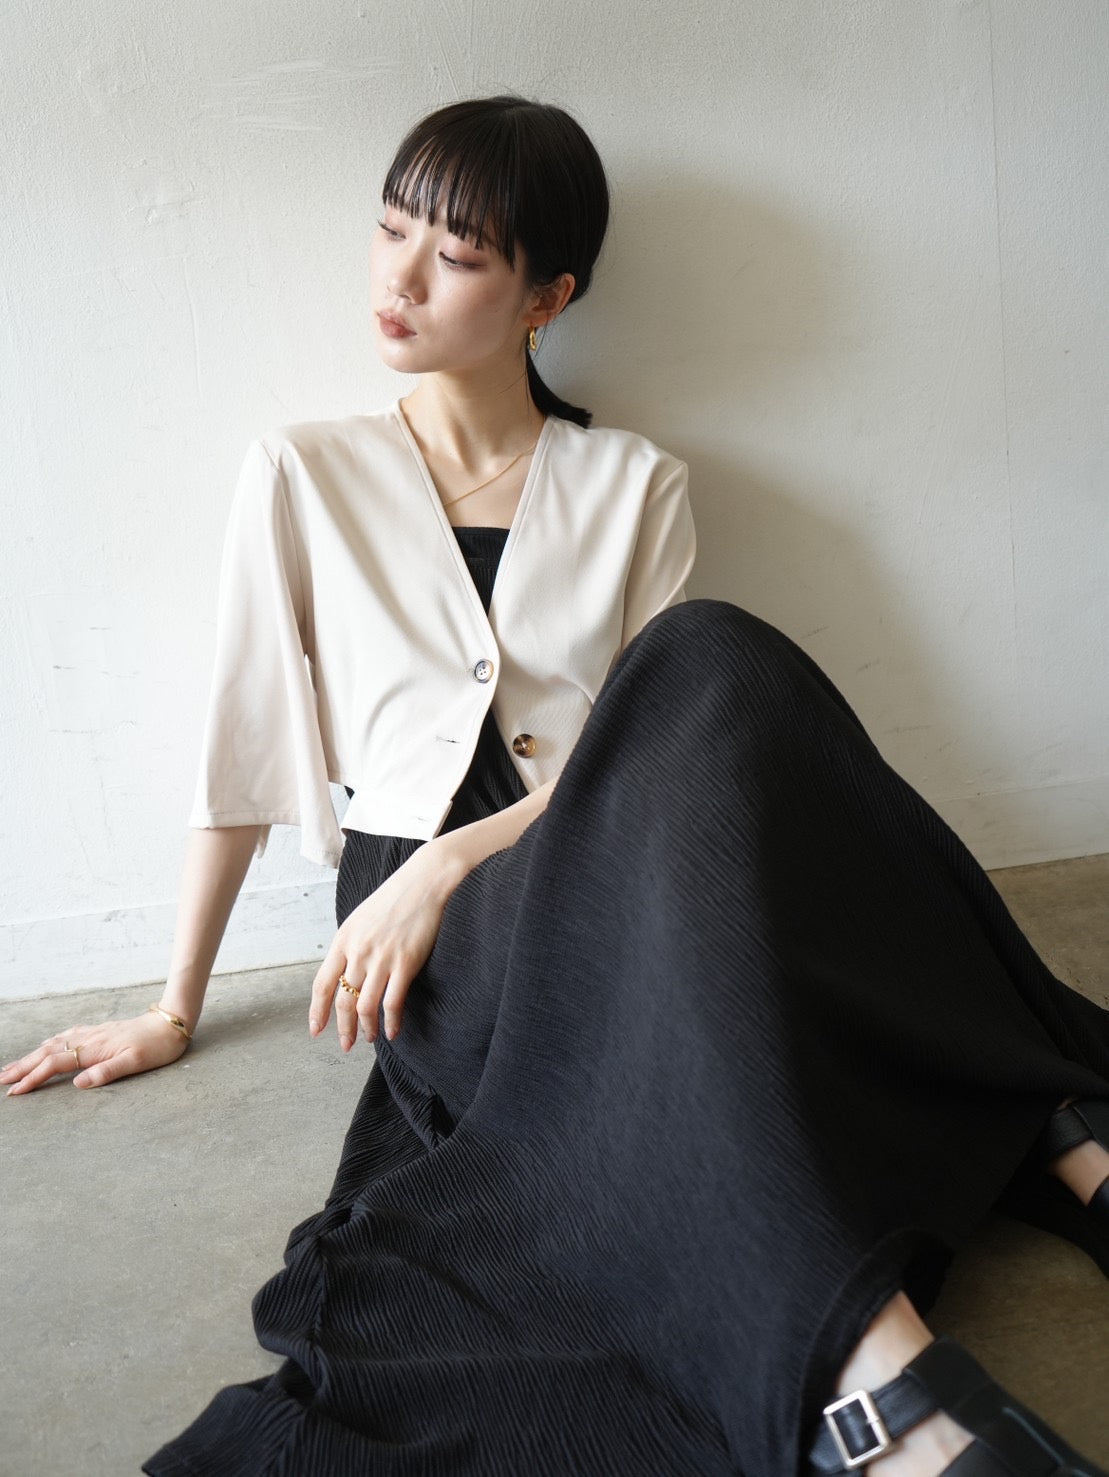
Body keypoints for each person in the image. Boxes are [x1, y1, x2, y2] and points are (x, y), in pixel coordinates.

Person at [4, 96, 1108, 1477]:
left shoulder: (633, 482)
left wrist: (452, 859)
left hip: (584, 857)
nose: (401, 278)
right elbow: (240, 740)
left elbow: (654, 748)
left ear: (547, 297)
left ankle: (910, 1357)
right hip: (437, 941)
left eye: (457, 255)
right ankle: (987, 1234)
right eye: (391, 231)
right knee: (756, 932)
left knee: (716, 663)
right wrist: (176, 1004)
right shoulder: (304, 469)